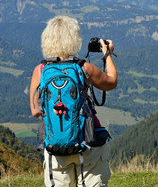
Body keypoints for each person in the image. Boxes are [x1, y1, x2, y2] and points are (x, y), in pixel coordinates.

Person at [30, 16, 117, 187]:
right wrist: (107, 53)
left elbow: (36, 111)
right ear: (74, 39)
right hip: (89, 143)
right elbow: (111, 82)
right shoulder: (83, 68)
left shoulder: (40, 70)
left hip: (55, 147)